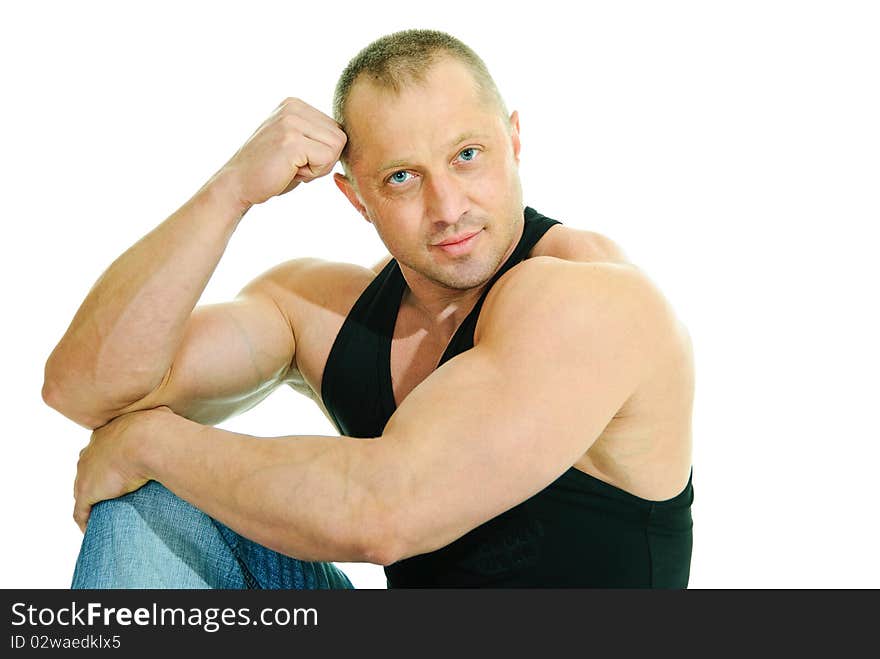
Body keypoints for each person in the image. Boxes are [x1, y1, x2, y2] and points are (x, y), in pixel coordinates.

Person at [43, 29, 694, 588]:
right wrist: (230, 192)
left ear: (514, 141)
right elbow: (83, 388)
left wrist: (150, 441)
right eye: (403, 178)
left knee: (148, 462)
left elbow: (388, 509)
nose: (447, 206)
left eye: (468, 156)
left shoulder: (590, 298)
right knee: (147, 504)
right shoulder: (319, 309)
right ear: (357, 198)